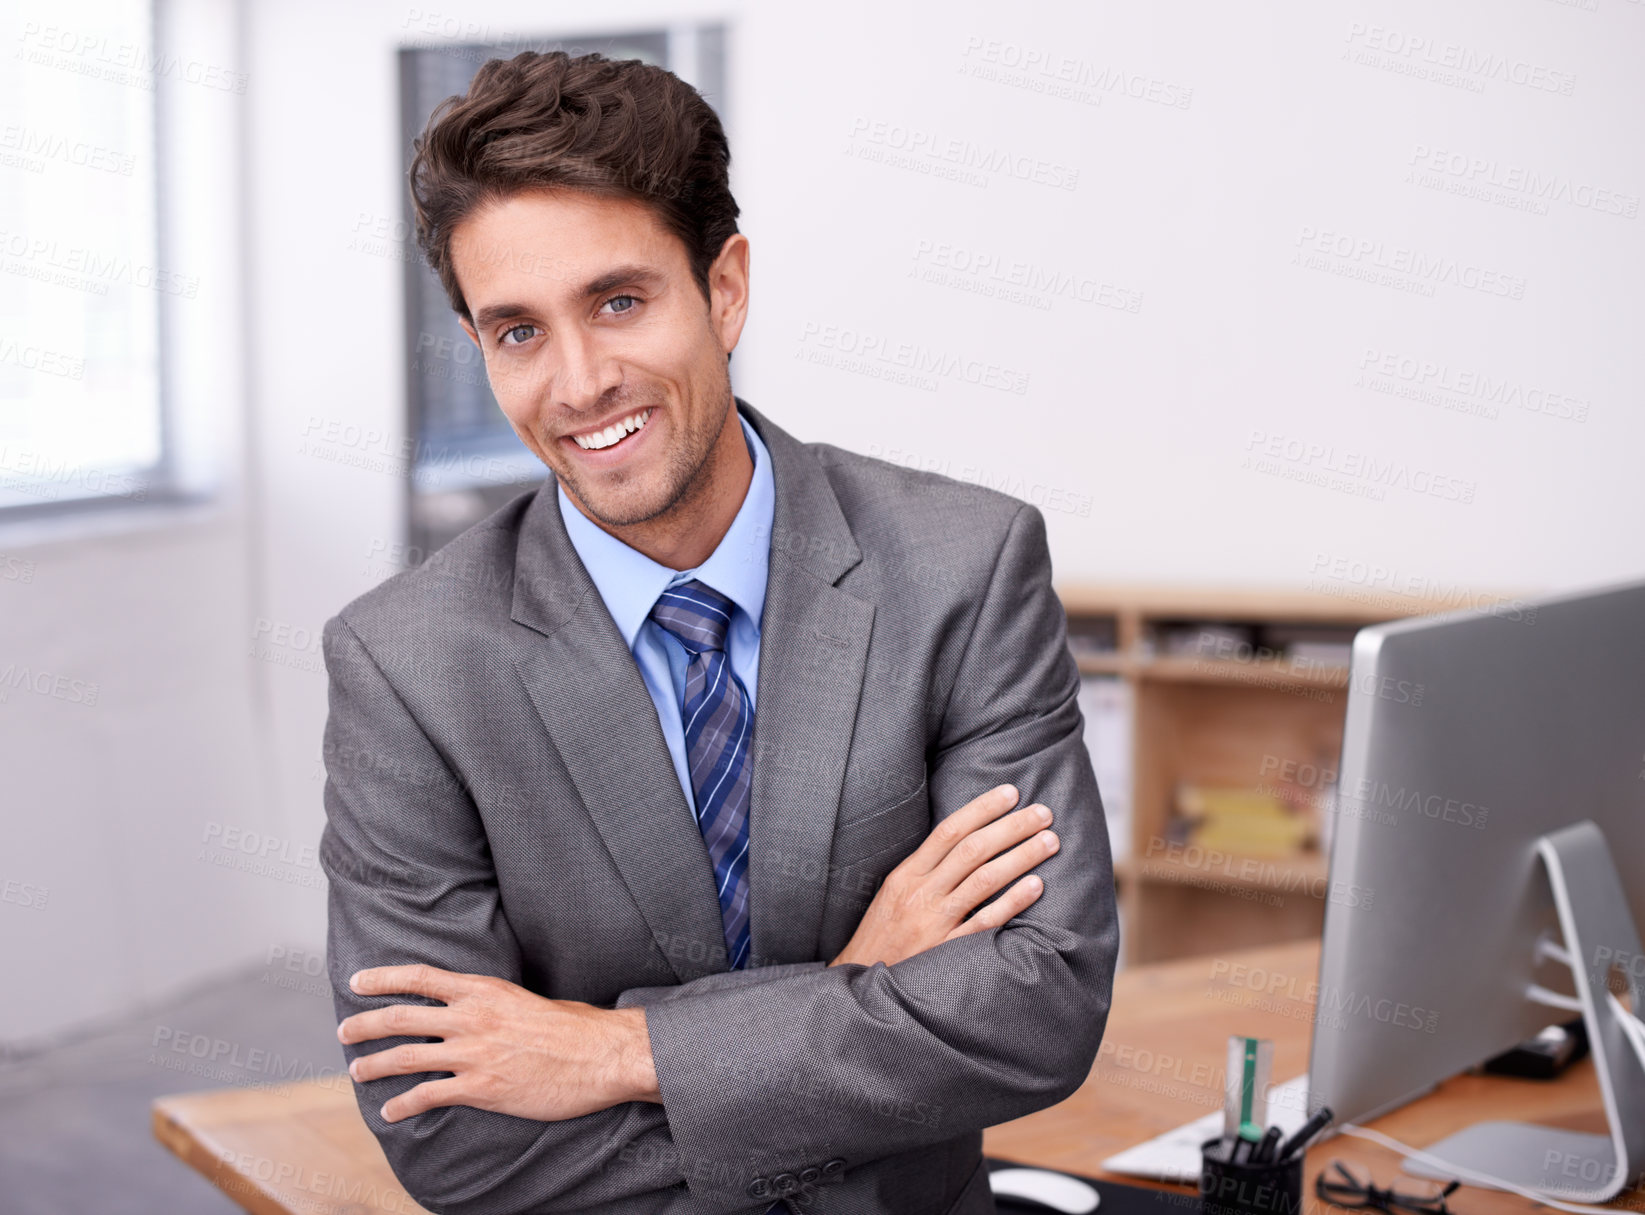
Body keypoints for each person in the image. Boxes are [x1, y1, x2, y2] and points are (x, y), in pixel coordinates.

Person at [319, 48, 1118, 1215]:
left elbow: (1038, 1009)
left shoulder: (962, 566)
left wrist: (612, 1055)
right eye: (517, 333)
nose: (580, 382)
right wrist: (860, 986)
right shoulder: (405, 665)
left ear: (725, 289)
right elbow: (457, 1140)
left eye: (618, 301)